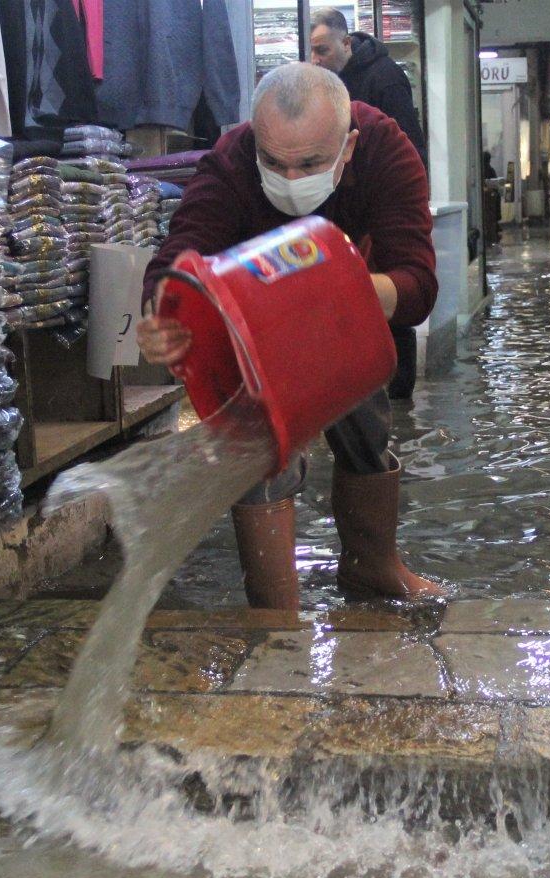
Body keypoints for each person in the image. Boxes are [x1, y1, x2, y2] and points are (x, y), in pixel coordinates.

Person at [136, 62, 443, 609]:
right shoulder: (230, 159)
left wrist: (331, 282)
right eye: (275, 163)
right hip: (249, 319)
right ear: (255, 141)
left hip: (347, 308)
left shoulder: (387, 151)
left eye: (311, 164)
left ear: (348, 147)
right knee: (254, 441)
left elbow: (417, 288)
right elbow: (174, 262)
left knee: (366, 420)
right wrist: (162, 318)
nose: (293, 179)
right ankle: (273, 601)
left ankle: (372, 568)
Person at [309, 6, 426, 399]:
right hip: (339, 204)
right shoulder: (326, 87)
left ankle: (399, 390)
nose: (316, 60)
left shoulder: (385, 77)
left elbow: (409, 143)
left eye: (323, 51)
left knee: (387, 294)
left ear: (346, 43)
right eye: (312, 52)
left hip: (378, 204)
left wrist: (402, 202)